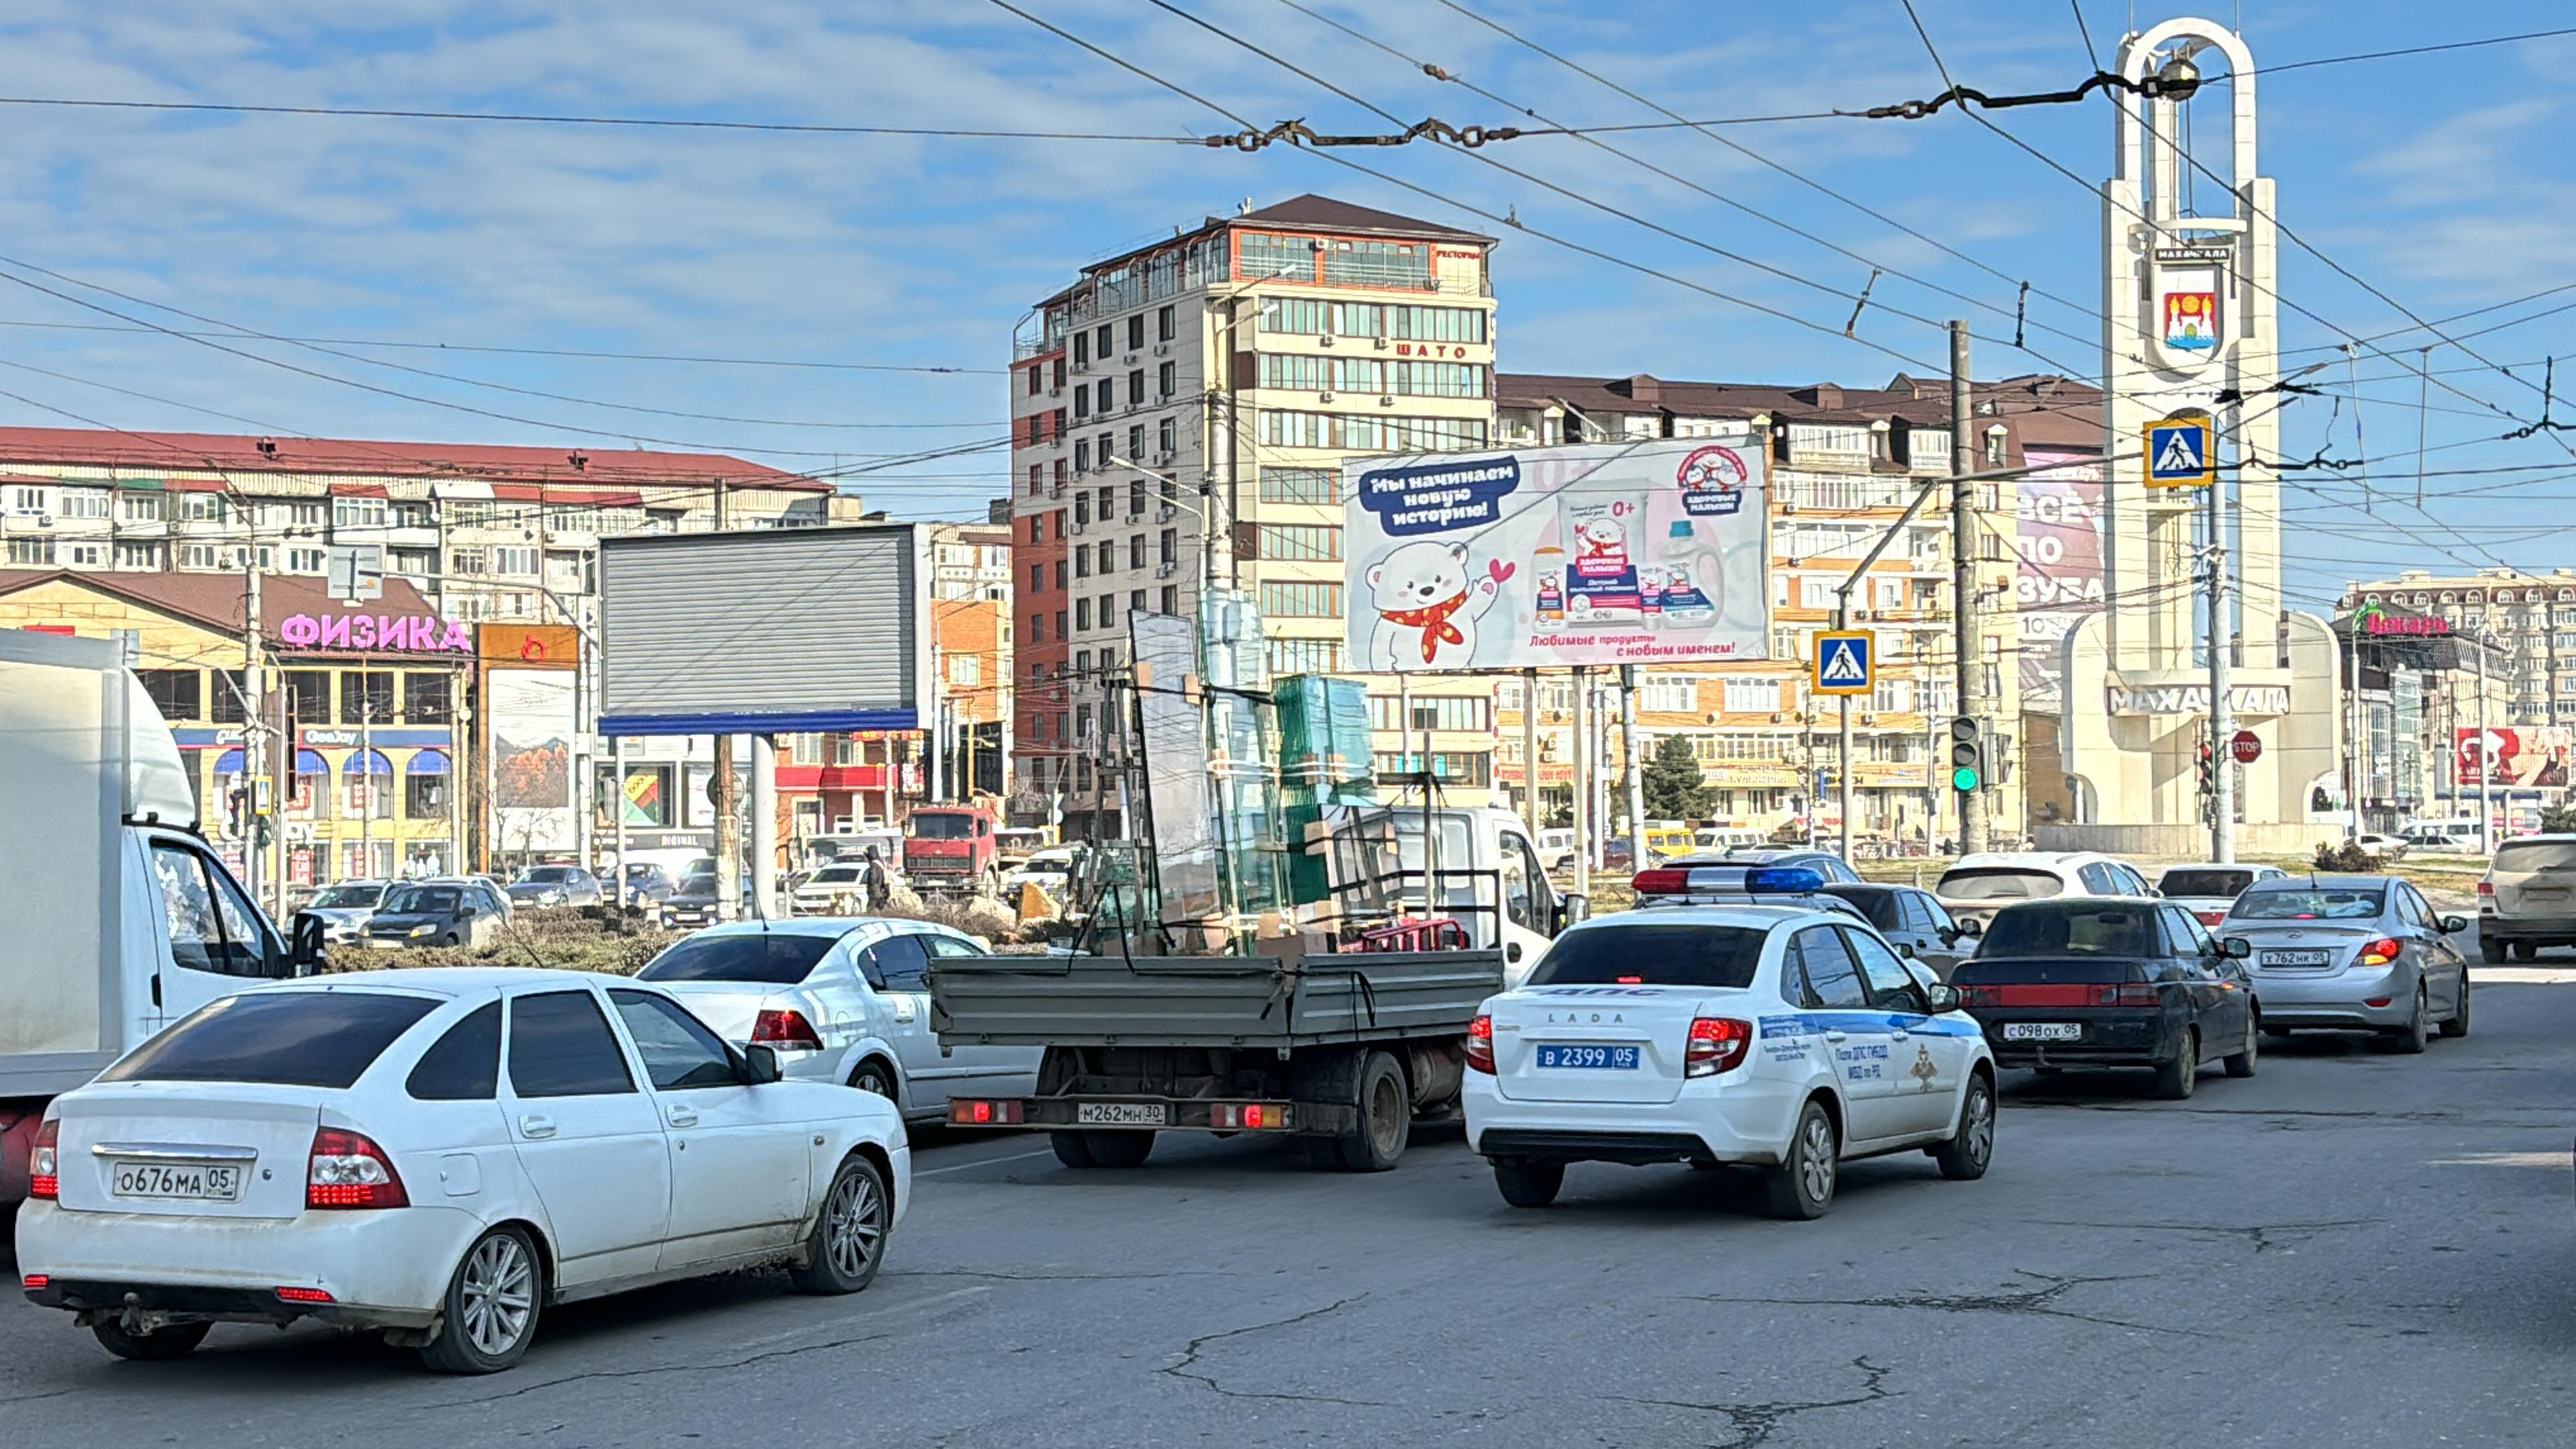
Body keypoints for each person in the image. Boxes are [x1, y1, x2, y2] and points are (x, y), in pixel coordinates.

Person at [860, 846, 892, 913]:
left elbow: (873, 880)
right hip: (881, 892)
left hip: (875, 893)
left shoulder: (874, 866)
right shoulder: (880, 864)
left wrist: (870, 888)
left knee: (872, 911)